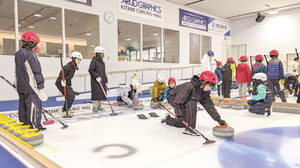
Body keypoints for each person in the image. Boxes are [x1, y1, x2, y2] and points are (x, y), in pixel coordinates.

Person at [161, 71, 227, 136]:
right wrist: (180, 115)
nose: (210, 88)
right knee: (191, 103)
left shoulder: (205, 92)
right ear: (203, 82)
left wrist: (217, 118)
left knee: (183, 123)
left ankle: (167, 119)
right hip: (175, 98)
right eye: (210, 85)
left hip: (184, 100)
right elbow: (178, 102)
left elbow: (209, 105)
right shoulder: (189, 87)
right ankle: (190, 129)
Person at [14, 31, 46, 131]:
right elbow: (35, 71)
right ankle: (35, 125)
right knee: (34, 105)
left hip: (21, 85)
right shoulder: (30, 55)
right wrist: (40, 84)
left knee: (23, 105)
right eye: (35, 44)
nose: (35, 46)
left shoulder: (18, 54)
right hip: (30, 86)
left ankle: (25, 124)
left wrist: (16, 83)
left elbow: (16, 70)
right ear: (31, 42)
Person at [56, 51, 82, 117]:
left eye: (80, 60)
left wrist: (69, 86)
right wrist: (62, 80)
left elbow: (69, 78)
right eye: (77, 59)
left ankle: (68, 108)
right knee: (70, 96)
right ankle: (64, 111)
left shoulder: (73, 67)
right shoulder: (68, 66)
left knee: (71, 96)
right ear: (73, 58)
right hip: (60, 83)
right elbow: (62, 74)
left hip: (66, 83)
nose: (79, 61)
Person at [88, 46, 108, 113]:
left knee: (100, 94)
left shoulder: (102, 62)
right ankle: (95, 107)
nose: (103, 55)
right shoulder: (94, 61)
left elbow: (104, 72)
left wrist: (106, 80)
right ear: (98, 53)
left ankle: (99, 107)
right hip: (95, 81)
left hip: (101, 81)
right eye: (102, 53)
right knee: (96, 95)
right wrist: (96, 76)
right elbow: (90, 70)